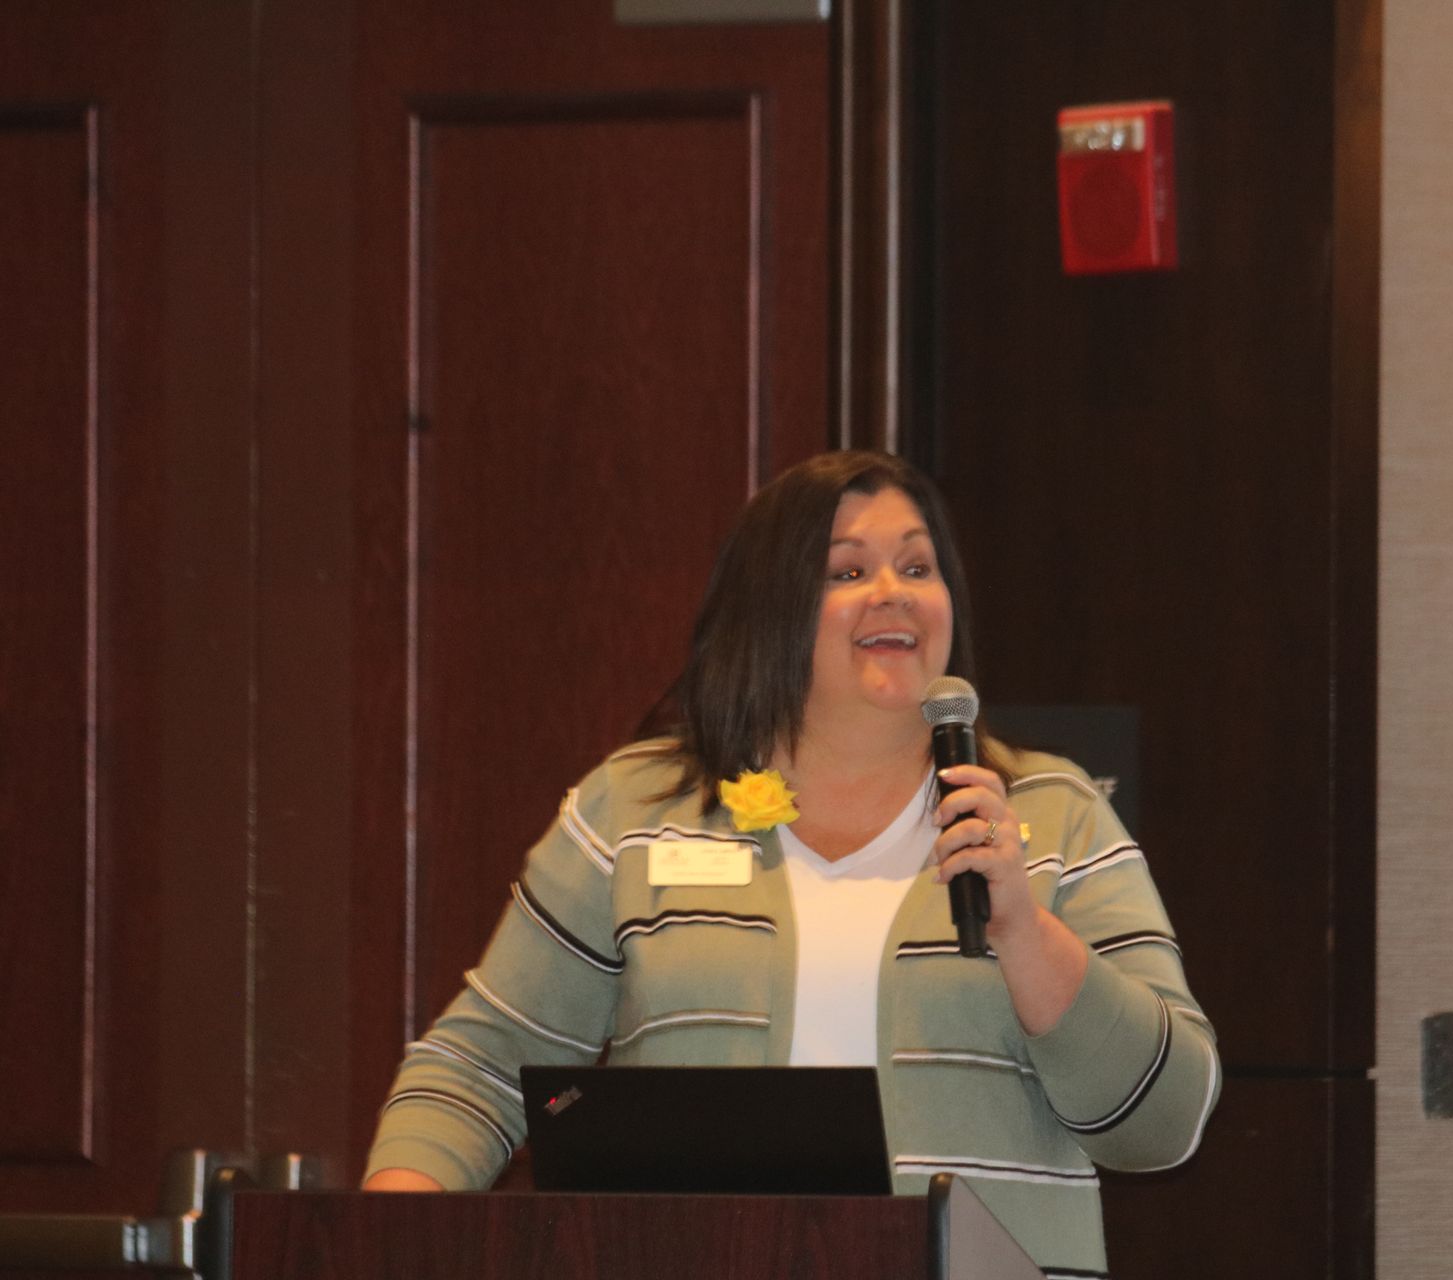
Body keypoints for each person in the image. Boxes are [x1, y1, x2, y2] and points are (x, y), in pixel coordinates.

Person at [362, 450, 1220, 1277]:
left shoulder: (1050, 814)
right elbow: (480, 1065)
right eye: (846, 572)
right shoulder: (639, 811)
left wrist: (1025, 930)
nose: (894, 592)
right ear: (768, 606)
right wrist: (382, 1239)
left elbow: (1165, 1120)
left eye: (919, 568)